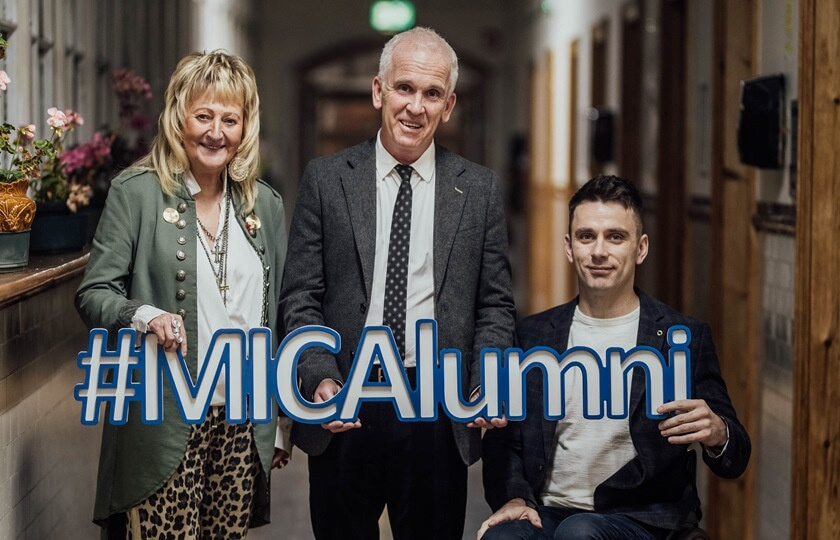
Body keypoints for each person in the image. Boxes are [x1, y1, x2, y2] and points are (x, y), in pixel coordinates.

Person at [280, 27, 516, 539]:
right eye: (404, 88)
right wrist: (319, 377)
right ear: (378, 91)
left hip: (435, 403)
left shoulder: (478, 190)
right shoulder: (326, 179)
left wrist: (485, 381)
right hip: (344, 399)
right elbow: (300, 295)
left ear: (449, 104)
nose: (416, 106)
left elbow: (495, 305)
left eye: (432, 94)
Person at [76, 51, 290, 539]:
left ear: (245, 128)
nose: (216, 132)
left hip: (240, 422)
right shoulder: (137, 193)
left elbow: (275, 317)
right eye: (204, 116)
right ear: (179, 118)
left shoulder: (266, 206)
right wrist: (144, 314)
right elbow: (94, 293)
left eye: (230, 119)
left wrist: (277, 421)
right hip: (163, 419)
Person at [479, 175, 751, 540]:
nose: (599, 251)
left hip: (644, 517)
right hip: (549, 511)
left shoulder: (680, 337)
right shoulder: (532, 335)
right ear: (569, 247)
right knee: (504, 537)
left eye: (615, 237)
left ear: (640, 249)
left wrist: (718, 433)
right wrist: (513, 498)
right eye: (586, 236)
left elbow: (736, 458)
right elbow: (503, 442)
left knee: (580, 533)